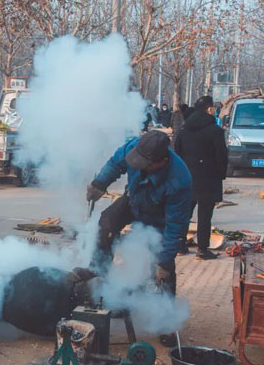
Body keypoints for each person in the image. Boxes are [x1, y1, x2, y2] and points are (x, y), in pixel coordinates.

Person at [86, 130, 192, 345]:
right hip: (134, 199)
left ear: (161, 161)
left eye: (145, 164)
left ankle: (166, 322)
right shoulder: (136, 146)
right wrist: (99, 184)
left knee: (163, 268)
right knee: (106, 223)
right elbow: (115, 164)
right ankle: (99, 282)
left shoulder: (179, 180)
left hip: (159, 216)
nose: (139, 166)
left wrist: (164, 260)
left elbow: (175, 227)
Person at [174, 96, 228, 260]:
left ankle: (179, 246)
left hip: (186, 178)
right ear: (209, 109)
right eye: (213, 108)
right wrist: (221, 175)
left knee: (184, 213)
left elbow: (177, 154)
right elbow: (221, 157)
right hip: (208, 179)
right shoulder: (215, 131)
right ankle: (202, 250)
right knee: (205, 216)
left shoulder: (183, 130)